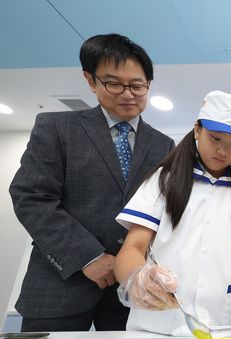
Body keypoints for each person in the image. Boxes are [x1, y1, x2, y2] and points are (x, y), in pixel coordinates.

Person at [9, 33, 175, 332]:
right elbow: (31, 198)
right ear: (91, 80)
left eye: (137, 85)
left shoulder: (163, 145)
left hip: (133, 290)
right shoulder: (57, 128)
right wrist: (89, 256)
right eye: (114, 83)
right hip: (62, 284)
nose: (128, 94)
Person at [113, 90, 231, 336]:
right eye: (215, 138)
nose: (223, 151)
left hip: (223, 321)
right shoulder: (163, 179)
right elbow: (133, 247)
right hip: (160, 323)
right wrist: (139, 277)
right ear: (197, 129)